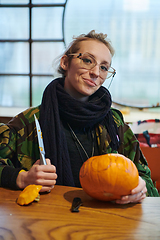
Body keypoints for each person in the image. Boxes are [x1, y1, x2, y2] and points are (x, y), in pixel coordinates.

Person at [0, 30, 159, 204]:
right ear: (65, 62)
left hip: (107, 221)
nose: (95, 72)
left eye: (104, 67)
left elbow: (147, 182)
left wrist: (141, 187)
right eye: (88, 60)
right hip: (46, 220)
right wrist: (21, 178)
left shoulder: (114, 123)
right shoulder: (30, 122)